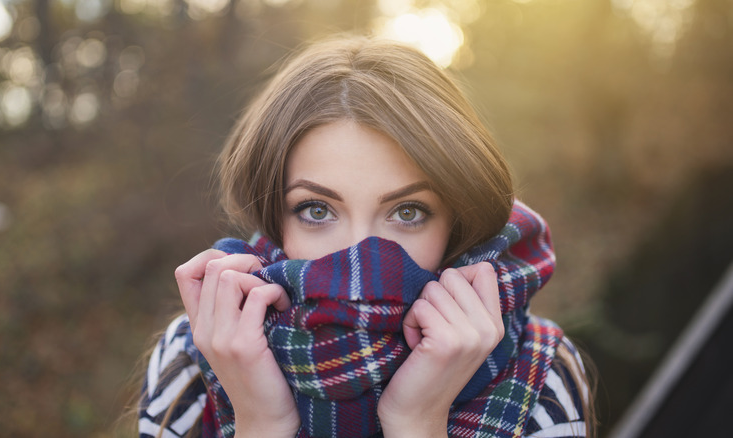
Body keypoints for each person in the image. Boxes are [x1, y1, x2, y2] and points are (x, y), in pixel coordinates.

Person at [138, 36, 594, 438]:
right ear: (275, 220)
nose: (359, 258)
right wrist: (262, 423)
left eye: (407, 211)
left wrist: (417, 423)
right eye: (316, 211)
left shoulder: (540, 372)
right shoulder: (199, 355)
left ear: (458, 219)